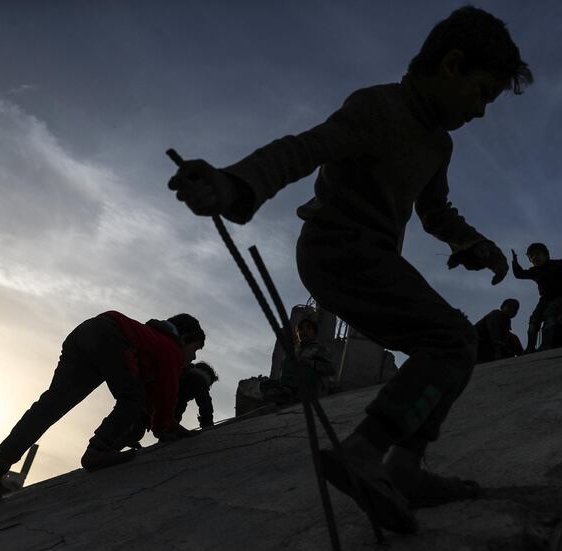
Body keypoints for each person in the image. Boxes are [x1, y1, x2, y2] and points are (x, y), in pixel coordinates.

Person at [168, 6, 531, 533]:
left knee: (453, 346)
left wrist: (474, 243)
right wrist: (233, 186)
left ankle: (404, 469)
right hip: (334, 250)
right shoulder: (377, 108)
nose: (480, 112)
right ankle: (365, 451)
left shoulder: (439, 144)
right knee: (452, 339)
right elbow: (305, 149)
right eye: (481, 94)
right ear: (452, 66)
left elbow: (436, 212)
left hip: (374, 257)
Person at [0, 312, 205, 505]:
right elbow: (166, 393)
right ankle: (98, 450)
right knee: (131, 399)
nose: (193, 358)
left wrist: (159, 425)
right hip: (109, 335)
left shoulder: (150, 339)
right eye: (195, 349)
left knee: (52, 405)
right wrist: (166, 427)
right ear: (184, 339)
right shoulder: (170, 348)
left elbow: (153, 398)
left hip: (85, 333)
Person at [511, 243, 562, 352]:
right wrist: (515, 262)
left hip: (560, 297)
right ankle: (530, 347)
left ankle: (546, 344)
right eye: (531, 256)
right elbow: (519, 274)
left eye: (537, 254)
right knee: (534, 318)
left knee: (550, 314)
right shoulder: (534, 271)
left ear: (546, 255)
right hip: (544, 299)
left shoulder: (556, 264)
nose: (534, 258)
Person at [261, 318, 335, 404]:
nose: (304, 331)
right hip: (292, 385)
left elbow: (332, 369)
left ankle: (288, 393)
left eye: (308, 328)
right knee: (264, 384)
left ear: (314, 333)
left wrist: (311, 363)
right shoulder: (294, 351)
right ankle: (287, 394)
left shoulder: (319, 348)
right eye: (301, 329)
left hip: (312, 383)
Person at [474, 298, 523, 362]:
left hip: (489, 347)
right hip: (478, 346)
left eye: (515, 309)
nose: (512, 310)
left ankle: (522, 355)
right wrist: (498, 353)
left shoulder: (506, 321)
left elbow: (505, 338)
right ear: (502, 307)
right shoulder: (495, 314)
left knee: (513, 338)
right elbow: (494, 333)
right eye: (510, 307)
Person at [175, 361, 219, 429]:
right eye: (207, 387)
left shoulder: (180, 397)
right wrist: (207, 421)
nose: (192, 398)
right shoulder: (199, 380)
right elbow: (205, 401)